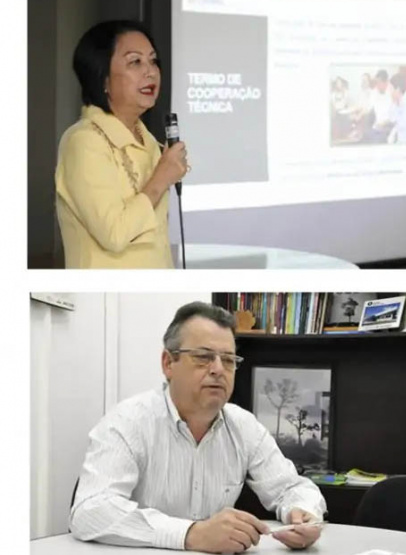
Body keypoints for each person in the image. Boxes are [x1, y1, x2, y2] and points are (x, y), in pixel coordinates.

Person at [70, 302, 325, 553]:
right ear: (168, 363)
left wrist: (304, 513)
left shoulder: (244, 426)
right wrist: (190, 533)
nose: (217, 370)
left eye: (228, 360)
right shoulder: (127, 422)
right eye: (203, 358)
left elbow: (293, 488)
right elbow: (89, 511)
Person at [56, 20, 188, 268]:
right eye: (135, 62)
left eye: (153, 60)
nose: (150, 72)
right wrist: (161, 178)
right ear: (103, 78)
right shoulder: (83, 141)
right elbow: (115, 234)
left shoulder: (147, 138)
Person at [386, 73, 406, 144]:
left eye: (391, 89)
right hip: (400, 139)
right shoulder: (397, 101)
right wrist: (394, 103)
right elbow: (392, 119)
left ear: (397, 89)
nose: (389, 92)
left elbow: (403, 124)